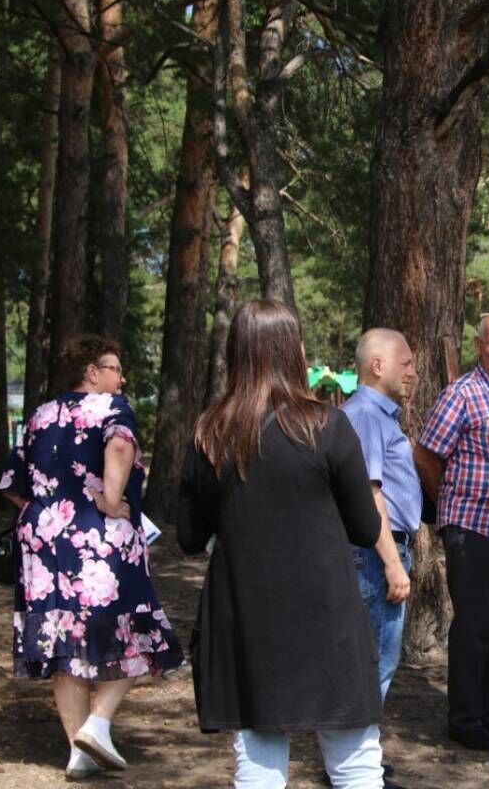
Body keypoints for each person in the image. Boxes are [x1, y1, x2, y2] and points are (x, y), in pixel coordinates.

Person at [178, 300, 385, 788]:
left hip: (247, 615)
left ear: (237, 352)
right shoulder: (327, 425)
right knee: (355, 760)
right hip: (325, 612)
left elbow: (189, 537)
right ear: (293, 350)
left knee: (258, 761)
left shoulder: (212, 432)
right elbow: (365, 528)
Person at [0, 334, 184, 779]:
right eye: (115, 369)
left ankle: (78, 750)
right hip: (99, 543)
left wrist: (42, 516)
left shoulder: (40, 414)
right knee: (135, 630)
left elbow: (11, 482)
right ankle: (98, 724)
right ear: (92, 372)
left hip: (43, 547)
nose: (121, 379)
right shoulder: (112, 409)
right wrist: (109, 499)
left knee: (65, 645)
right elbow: (119, 447)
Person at [414, 312, 489, 751]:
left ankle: (488, 709)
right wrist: (450, 501)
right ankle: (463, 718)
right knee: (475, 626)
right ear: (479, 345)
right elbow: (426, 454)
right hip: (472, 527)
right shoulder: (460, 394)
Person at [342, 329, 421, 788]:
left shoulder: (374, 415)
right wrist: (392, 563)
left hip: (379, 550)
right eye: (405, 362)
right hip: (376, 552)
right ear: (378, 366)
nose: (412, 372)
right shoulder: (368, 416)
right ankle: (355, 767)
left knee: (376, 658)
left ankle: (359, 758)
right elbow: (370, 496)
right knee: (374, 660)